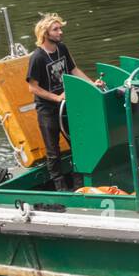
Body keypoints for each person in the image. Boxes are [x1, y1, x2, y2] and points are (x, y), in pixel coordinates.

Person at [25, 13, 105, 191]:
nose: (60, 32)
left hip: (67, 108)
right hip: (48, 110)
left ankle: (79, 184)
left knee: (77, 144)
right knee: (53, 153)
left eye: (60, 28)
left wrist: (92, 84)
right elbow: (33, 88)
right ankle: (60, 188)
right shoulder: (37, 58)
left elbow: (73, 69)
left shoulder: (62, 48)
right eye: (56, 29)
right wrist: (57, 97)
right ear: (45, 34)